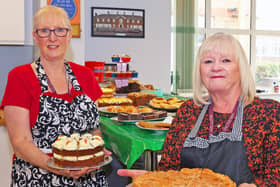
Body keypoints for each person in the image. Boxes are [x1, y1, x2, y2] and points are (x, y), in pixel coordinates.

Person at [118, 33, 280, 186]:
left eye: (226, 60)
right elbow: (169, 170)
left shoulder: (268, 113)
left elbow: (276, 177)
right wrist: (153, 180)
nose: (216, 67)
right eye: (208, 61)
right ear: (199, 70)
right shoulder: (188, 111)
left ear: (241, 68)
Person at [1, 5, 109, 186]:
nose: (52, 37)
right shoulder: (20, 77)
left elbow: (94, 131)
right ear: (35, 37)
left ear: (68, 35)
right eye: (44, 31)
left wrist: (95, 156)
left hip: (88, 177)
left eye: (60, 30)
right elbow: (20, 142)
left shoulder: (86, 75)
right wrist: (58, 167)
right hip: (39, 176)